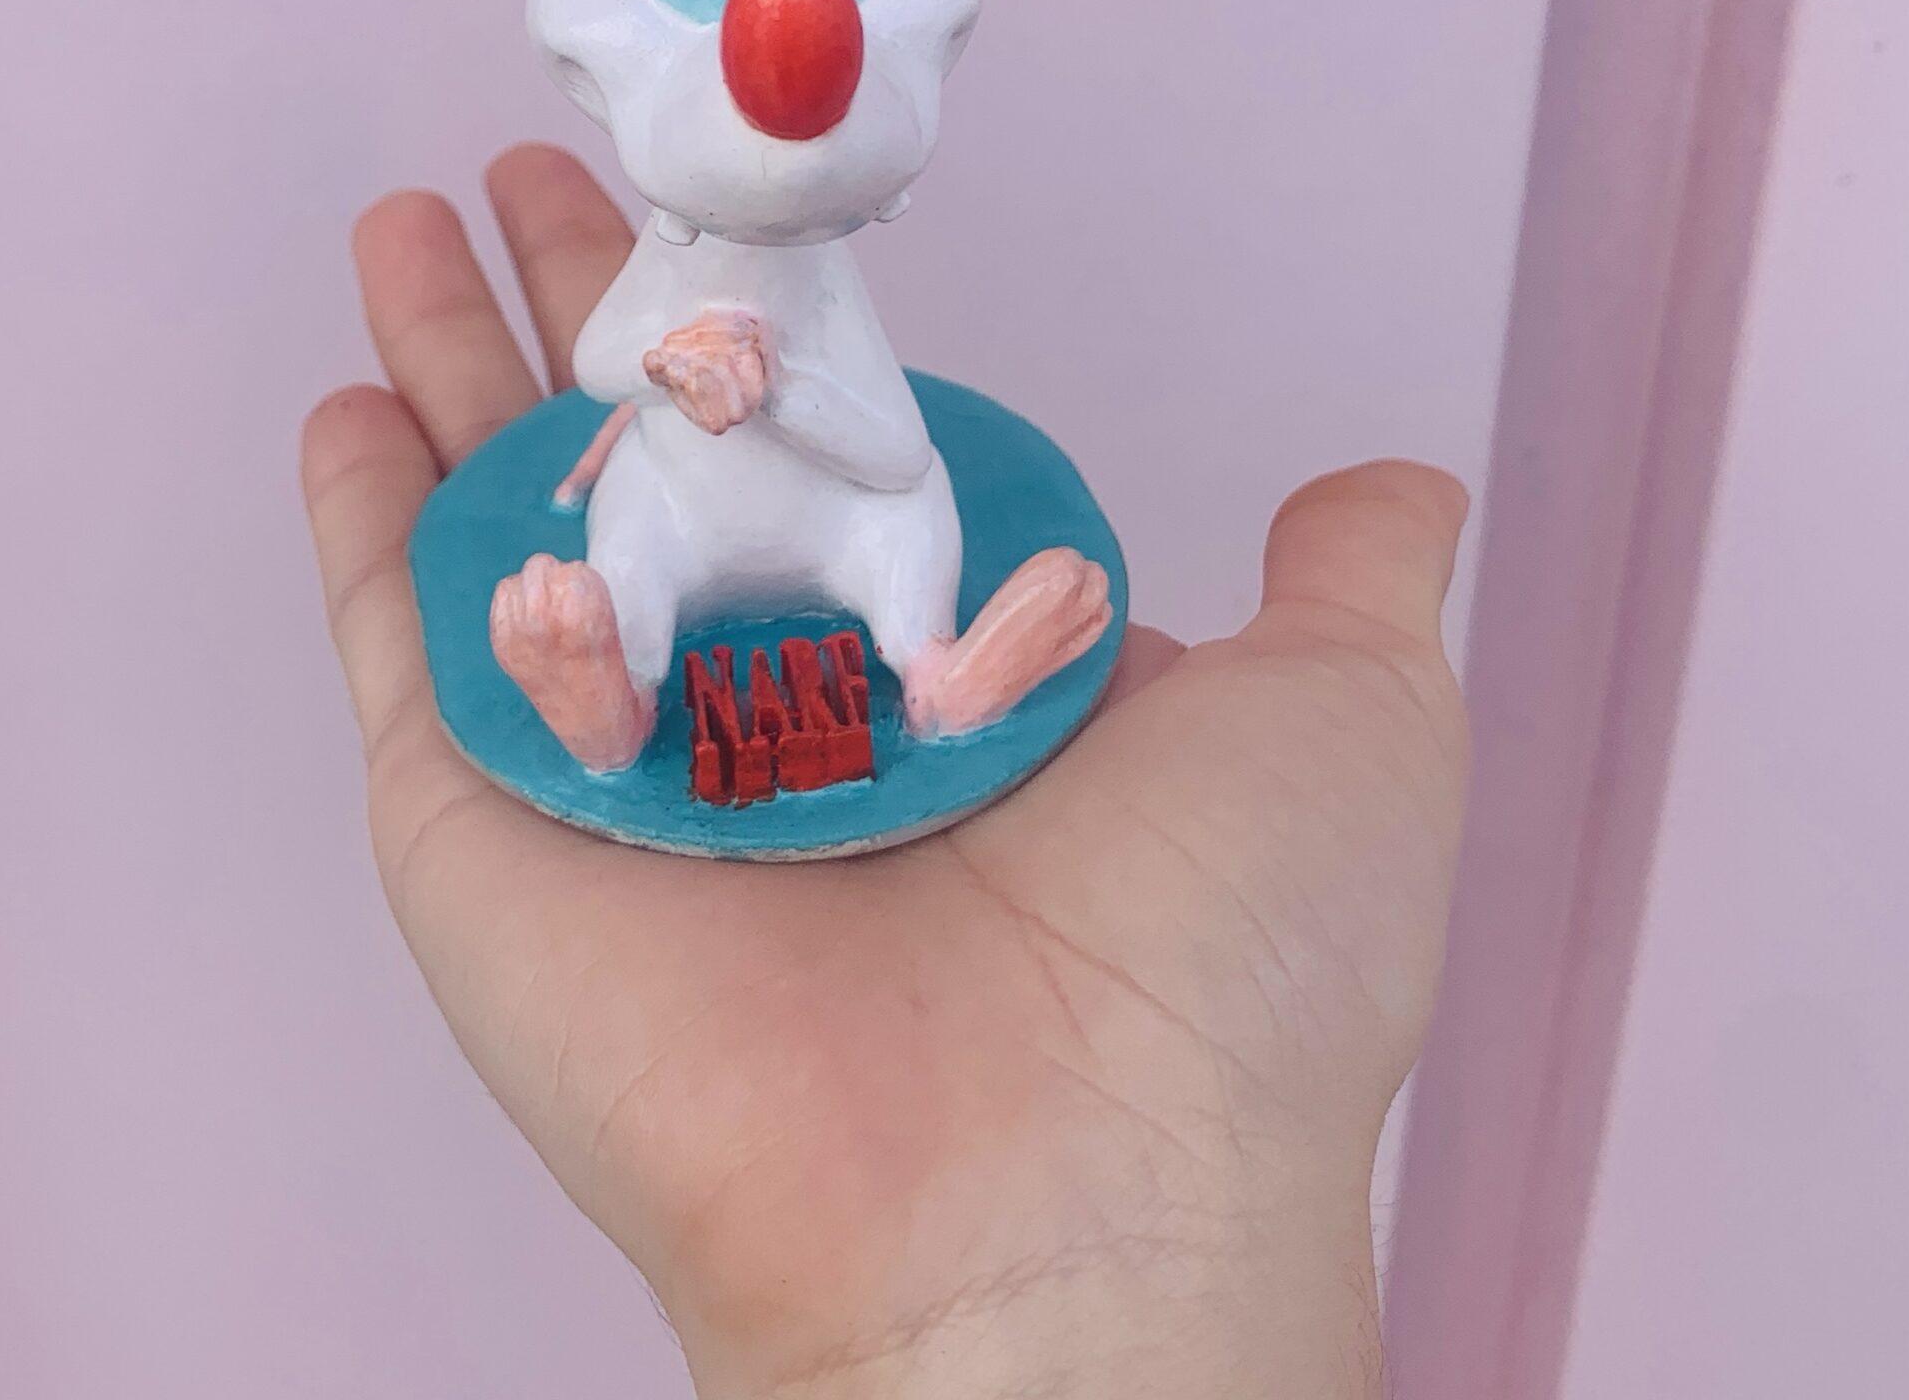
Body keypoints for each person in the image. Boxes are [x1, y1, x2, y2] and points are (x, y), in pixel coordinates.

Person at [300, 144, 1471, 1399]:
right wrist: (668, 364)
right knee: (629, 544)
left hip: (837, 519)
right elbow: (601, 359)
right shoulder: (670, 258)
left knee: (906, 522)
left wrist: (778, 391)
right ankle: (608, 701)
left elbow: (891, 446)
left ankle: (938, 676)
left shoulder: (826, 296)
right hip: (677, 511)